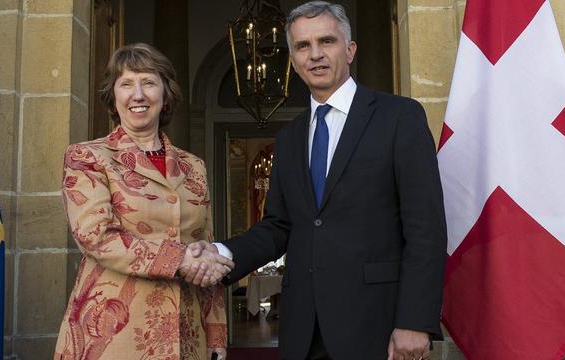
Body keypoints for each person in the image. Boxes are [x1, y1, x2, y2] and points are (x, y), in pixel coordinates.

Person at [188, 2, 447, 359]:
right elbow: (278, 226)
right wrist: (221, 252)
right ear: (293, 60)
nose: (316, 55)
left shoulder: (399, 117)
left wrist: (415, 320)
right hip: (302, 329)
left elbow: (426, 228)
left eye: (327, 41)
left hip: (376, 323)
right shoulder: (289, 138)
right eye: (303, 46)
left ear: (350, 49)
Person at [54, 43, 233, 360]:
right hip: (111, 332)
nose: (138, 94)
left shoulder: (194, 166)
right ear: (114, 97)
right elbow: (95, 237)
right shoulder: (88, 156)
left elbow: (205, 247)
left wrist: (216, 331)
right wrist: (180, 260)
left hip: (186, 332)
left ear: (165, 95)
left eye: (148, 82)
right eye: (126, 84)